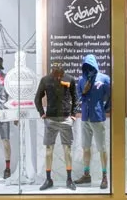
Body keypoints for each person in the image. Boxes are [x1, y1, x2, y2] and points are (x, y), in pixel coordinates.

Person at [34, 63, 79, 191]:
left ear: (62, 72)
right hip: (51, 119)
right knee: (49, 150)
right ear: (52, 71)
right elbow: (37, 98)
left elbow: (75, 97)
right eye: (55, 73)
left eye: (60, 74)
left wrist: (73, 115)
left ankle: (69, 179)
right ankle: (48, 179)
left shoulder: (70, 79)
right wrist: (42, 113)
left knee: (67, 150)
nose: (58, 76)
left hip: (66, 119)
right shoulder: (45, 80)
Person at [76, 54, 111, 189]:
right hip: (85, 117)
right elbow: (79, 98)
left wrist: (105, 108)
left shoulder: (104, 78)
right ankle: (86, 174)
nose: (88, 68)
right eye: (86, 66)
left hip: (97, 117)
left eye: (90, 66)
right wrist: (84, 91)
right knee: (86, 147)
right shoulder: (81, 80)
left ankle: (104, 176)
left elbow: (111, 96)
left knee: (102, 148)